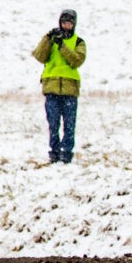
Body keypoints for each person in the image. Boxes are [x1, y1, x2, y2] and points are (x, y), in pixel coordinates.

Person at [32, 9, 87, 164]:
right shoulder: (51, 40)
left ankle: (66, 152)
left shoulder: (78, 42)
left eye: (69, 23)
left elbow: (76, 60)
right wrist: (47, 39)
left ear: (74, 24)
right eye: (64, 23)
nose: (66, 26)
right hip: (52, 88)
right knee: (53, 123)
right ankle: (54, 152)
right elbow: (39, 56)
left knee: (69, 125)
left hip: (70, 89)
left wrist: (62, 45)